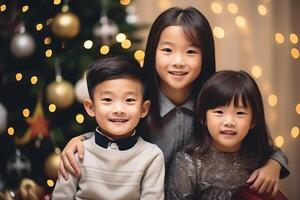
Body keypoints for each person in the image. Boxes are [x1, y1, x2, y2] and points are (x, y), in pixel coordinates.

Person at [58, 7, 289, 194]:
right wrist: (79, 139)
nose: (178, 61)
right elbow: (113, 127)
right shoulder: (138, 100)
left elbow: (260, 145)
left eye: (190, 52)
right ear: (153, 52)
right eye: (167, 50)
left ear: (205, 56)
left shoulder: (214, 105)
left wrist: (273, 164)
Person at [52, 56, 165, 200]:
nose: (118, 109)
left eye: (129, 100)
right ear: (91, 107)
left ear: (143, 109)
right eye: (107, 100)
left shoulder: (151, 156)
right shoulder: (76, 152)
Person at [166, 70, 287, 200]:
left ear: (253, 121)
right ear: (203, 117)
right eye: (219, 112)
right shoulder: (187, 163)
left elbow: (277, 153)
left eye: (240, 113)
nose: (229, 122)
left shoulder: (257, 154)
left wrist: (274, 165)